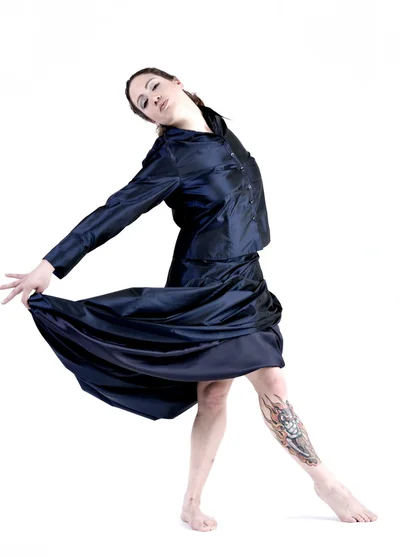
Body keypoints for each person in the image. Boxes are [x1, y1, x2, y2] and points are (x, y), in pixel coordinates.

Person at [0, 67, 377, 531]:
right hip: (205, 285)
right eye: (142, 102)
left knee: (267, 387)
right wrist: (51, 265)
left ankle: (318, 483)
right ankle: (222, 498)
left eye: (153, 87)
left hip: (246, 277)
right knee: (216, 394)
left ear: (177, 82)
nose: (151, 99)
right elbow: (114, 211)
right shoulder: (171, 156)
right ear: (145, 116)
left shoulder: (216, 125)